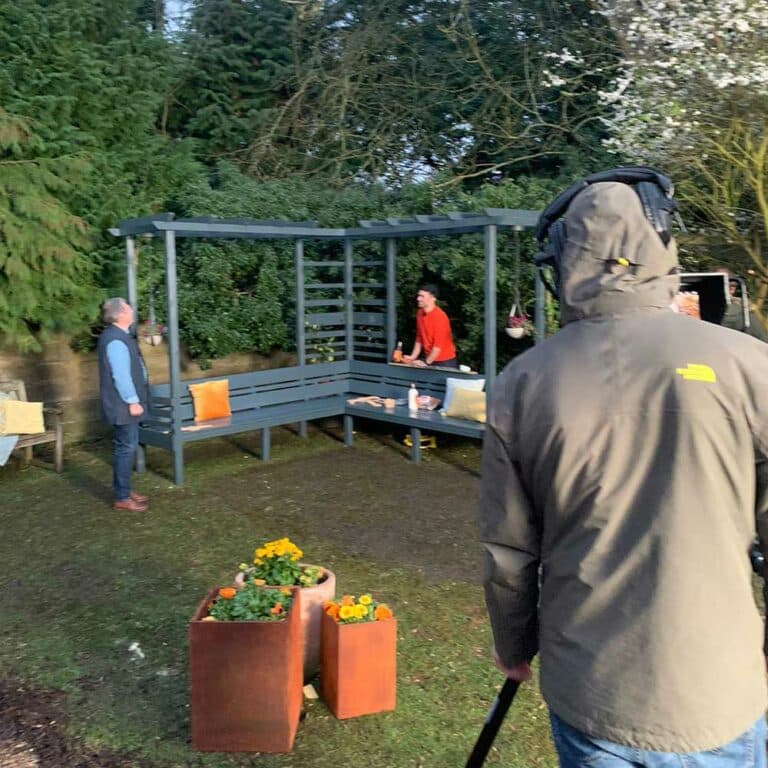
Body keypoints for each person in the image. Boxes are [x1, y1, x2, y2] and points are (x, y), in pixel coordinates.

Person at [479, 178, 768, 766]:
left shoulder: (522, 383)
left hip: (592, 688)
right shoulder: (749, 365)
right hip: (721, 688)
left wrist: (514, 645)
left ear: (561, 257)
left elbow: (508, 550)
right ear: (660, 242)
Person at [97, 298, 150, 512]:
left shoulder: (121, 336)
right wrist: (133, 401)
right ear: (120, 314)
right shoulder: (115, 339)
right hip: (123, 405)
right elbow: (120, 375)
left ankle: (125, 491)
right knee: (125, 449)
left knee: (127, 447)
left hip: (124, 404)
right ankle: (121, 497)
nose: (132, 310)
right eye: (128, 308)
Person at [402, 283, 458, 368]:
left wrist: (426, 363)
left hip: (445, 362)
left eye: (422, 296)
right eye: (418, 296)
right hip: (430, 359)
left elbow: (437, 347)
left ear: (433, 298)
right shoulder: (420, 313)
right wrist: (412, 357)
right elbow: (419, 337)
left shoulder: (440, 317)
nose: (418, 299)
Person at [716, 268, 768, 342]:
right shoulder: (695, 301)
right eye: (723, 283)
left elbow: (762, 339)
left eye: (733, 286)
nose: (730, 289)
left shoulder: (742, 309)